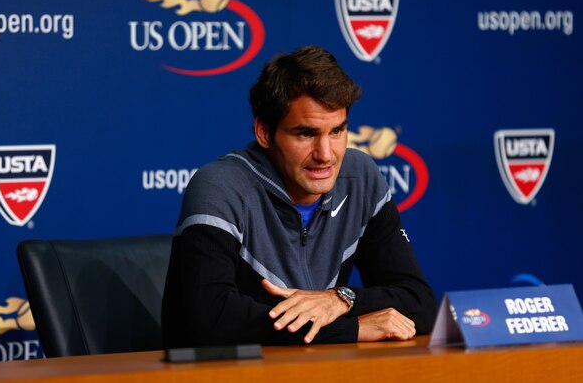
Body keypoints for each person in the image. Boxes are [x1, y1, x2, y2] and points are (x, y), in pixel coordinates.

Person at [161, 45, 436, 348]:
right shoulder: (221, 186)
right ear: (264, 132)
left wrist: (340, 300)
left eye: (337, 131)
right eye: (306, 134)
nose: (326, 155)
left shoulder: (360, 178)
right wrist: (350, 330)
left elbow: (419, 303)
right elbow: (207, 318)